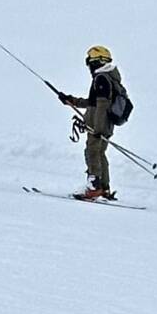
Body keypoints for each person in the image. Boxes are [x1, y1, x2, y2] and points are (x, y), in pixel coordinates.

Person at [56, 45, 127, 200]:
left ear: (96, 61)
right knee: (100, 153)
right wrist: (71, 100)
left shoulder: (101, 79)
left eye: (89, 62)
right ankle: (104, 188)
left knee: (92, 152)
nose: (89, 66)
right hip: (104, 125)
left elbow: (102, 105)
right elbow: (93, 102)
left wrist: (98, 129)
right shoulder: (108, 77)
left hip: (99, 126)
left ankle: (94, 187)